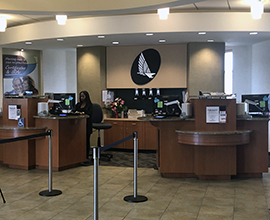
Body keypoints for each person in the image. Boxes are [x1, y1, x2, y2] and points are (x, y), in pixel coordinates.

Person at [72, 91, 93, 165]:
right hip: (79, 126)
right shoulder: (78, 104)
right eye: (81, 96)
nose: (82, 98)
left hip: (87, 125)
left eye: (83, 96)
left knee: (86, 141)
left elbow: (89, 113)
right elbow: (73, 110)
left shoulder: (90, 105)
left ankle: (86, 157)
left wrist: (83, 113)